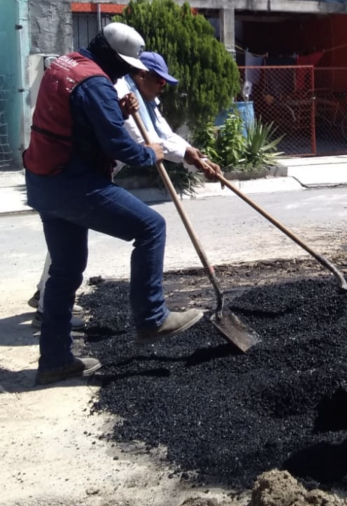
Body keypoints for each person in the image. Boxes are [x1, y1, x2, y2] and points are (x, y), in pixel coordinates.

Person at [22, 23, 211, 386]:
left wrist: (117, 112)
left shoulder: (66, 65)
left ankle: (55, 360)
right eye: (124, 64)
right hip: (73, 183)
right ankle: (152, 317)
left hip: (44, 181)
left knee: (65, 269)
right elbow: (119, 147)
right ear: (110, 54)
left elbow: (78, 121)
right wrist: (150, 151)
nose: (126, 71)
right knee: (151, 227)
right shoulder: (95, 83)